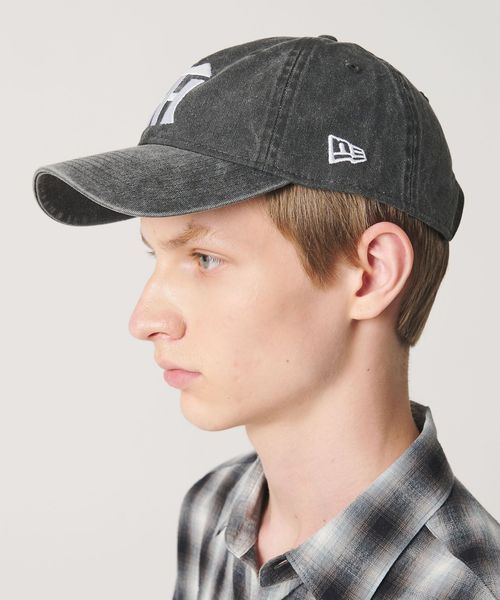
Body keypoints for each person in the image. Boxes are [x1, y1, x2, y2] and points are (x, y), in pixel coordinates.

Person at [32, 35, 500, 599]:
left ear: (372, 274)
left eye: (205, 258)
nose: (145, 319)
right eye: (155, 255)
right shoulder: (213, 511)